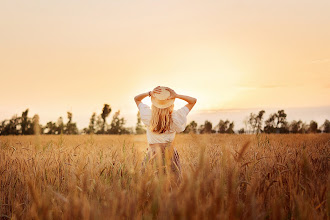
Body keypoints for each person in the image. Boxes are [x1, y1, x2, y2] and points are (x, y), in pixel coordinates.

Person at [134, 86, 197, 180]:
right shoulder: (176, 117)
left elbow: (137, 99)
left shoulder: (148, 115)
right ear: (171, 104)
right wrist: (176, 95)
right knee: (172, 183)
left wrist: (149, 93)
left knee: (150, 185)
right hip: (170, 153)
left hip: (152, 153)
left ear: (153, 103)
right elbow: (193, 101)